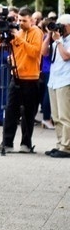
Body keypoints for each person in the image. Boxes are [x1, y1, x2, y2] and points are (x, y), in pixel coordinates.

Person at [0, 7, 42, 152]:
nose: (21, 23)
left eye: (24, 21)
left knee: (28, 112)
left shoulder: (36, 32)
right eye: (19, 20)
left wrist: (18, 38)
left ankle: (26, 144)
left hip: (31, 78)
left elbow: (34, 52)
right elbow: (4, 48)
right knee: (11, 109)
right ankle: (6, 143)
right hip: (16, 76)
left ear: (31, 20)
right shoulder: (18, 32)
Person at [43, 15, 70, 157]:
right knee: (56, 116)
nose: (59, 28)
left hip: (66, 81)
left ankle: (67, 147)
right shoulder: (56, 40)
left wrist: (59, 41)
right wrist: (49, 36)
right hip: (54, 80)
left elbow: (66, 56)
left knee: (65, 116)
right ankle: (60, 144)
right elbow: (43, 52)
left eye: (62, 25)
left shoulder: (65, 41)